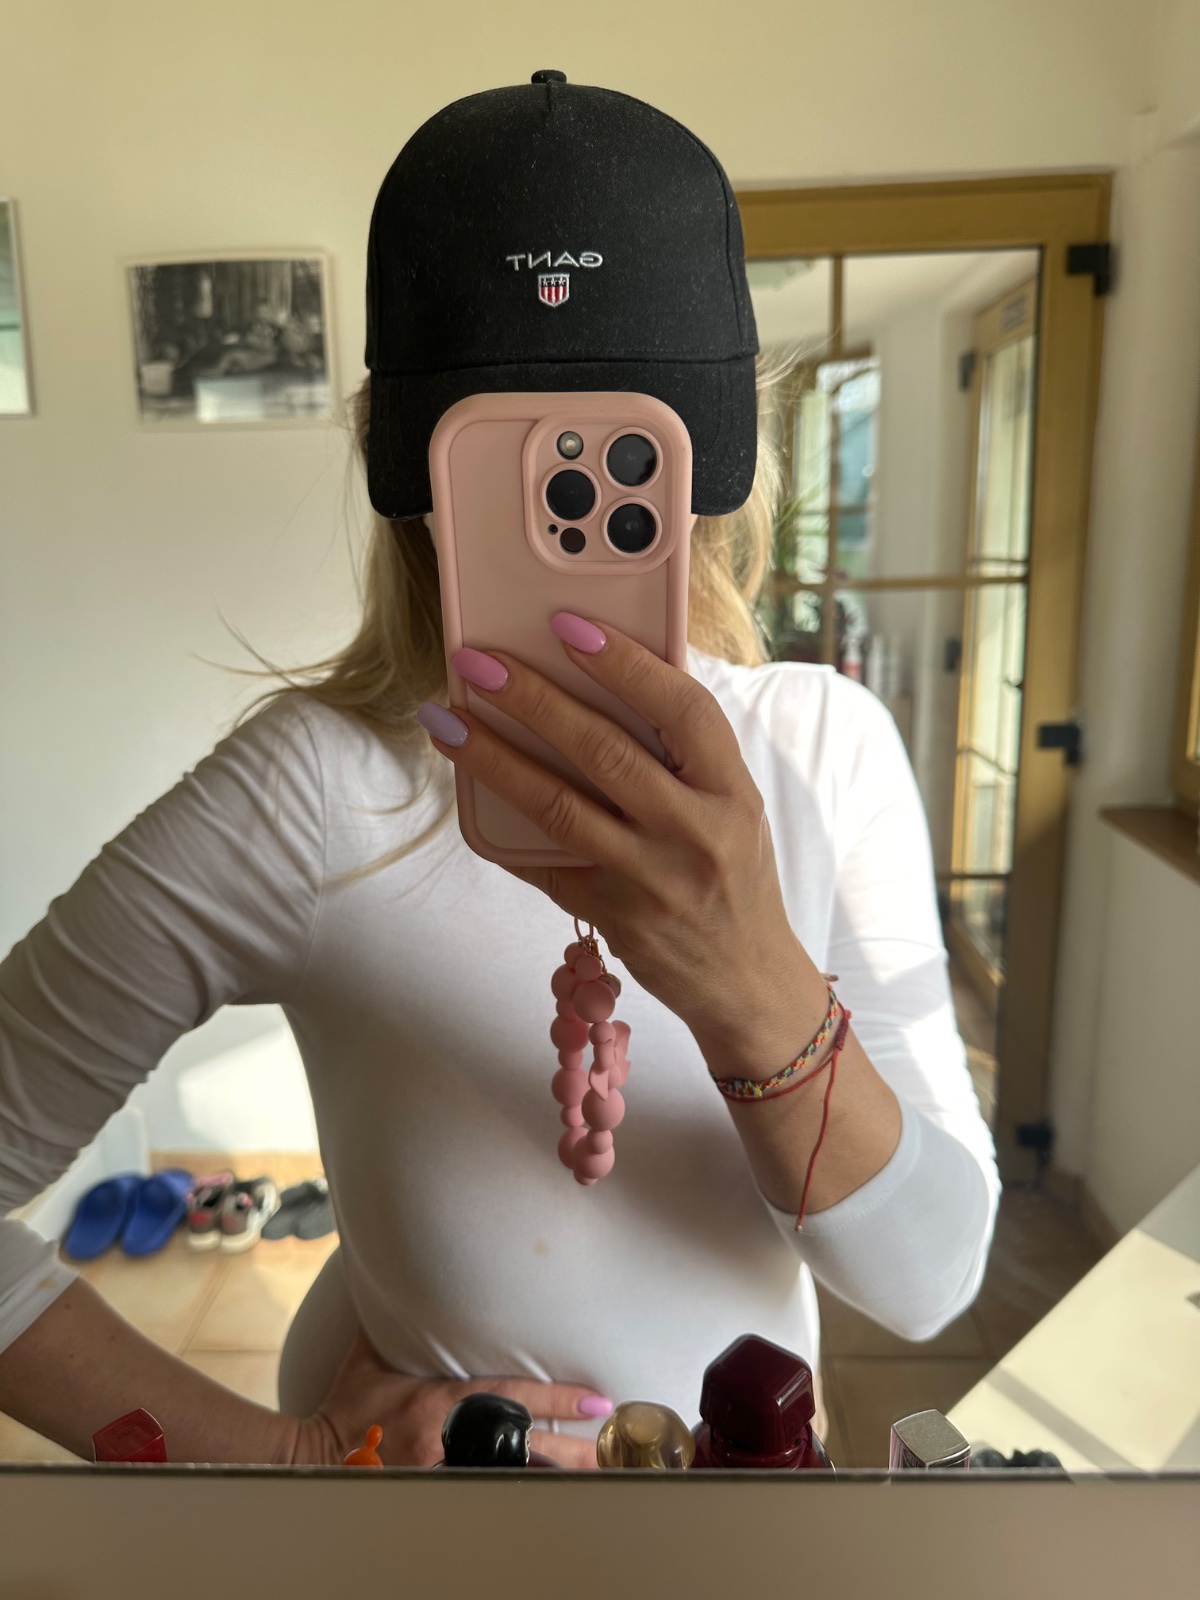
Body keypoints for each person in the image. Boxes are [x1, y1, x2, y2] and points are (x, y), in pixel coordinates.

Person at [0, 74, 999, 1468]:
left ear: (718, 474)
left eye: (621, 459)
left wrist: (751, 980)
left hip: (744, 1520)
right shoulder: (309, 791)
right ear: (407, 477)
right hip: (418, 1547)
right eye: (509, 464)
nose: (566, 512)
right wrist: (278, 1463)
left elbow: (931, 1279)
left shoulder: (823, 747)